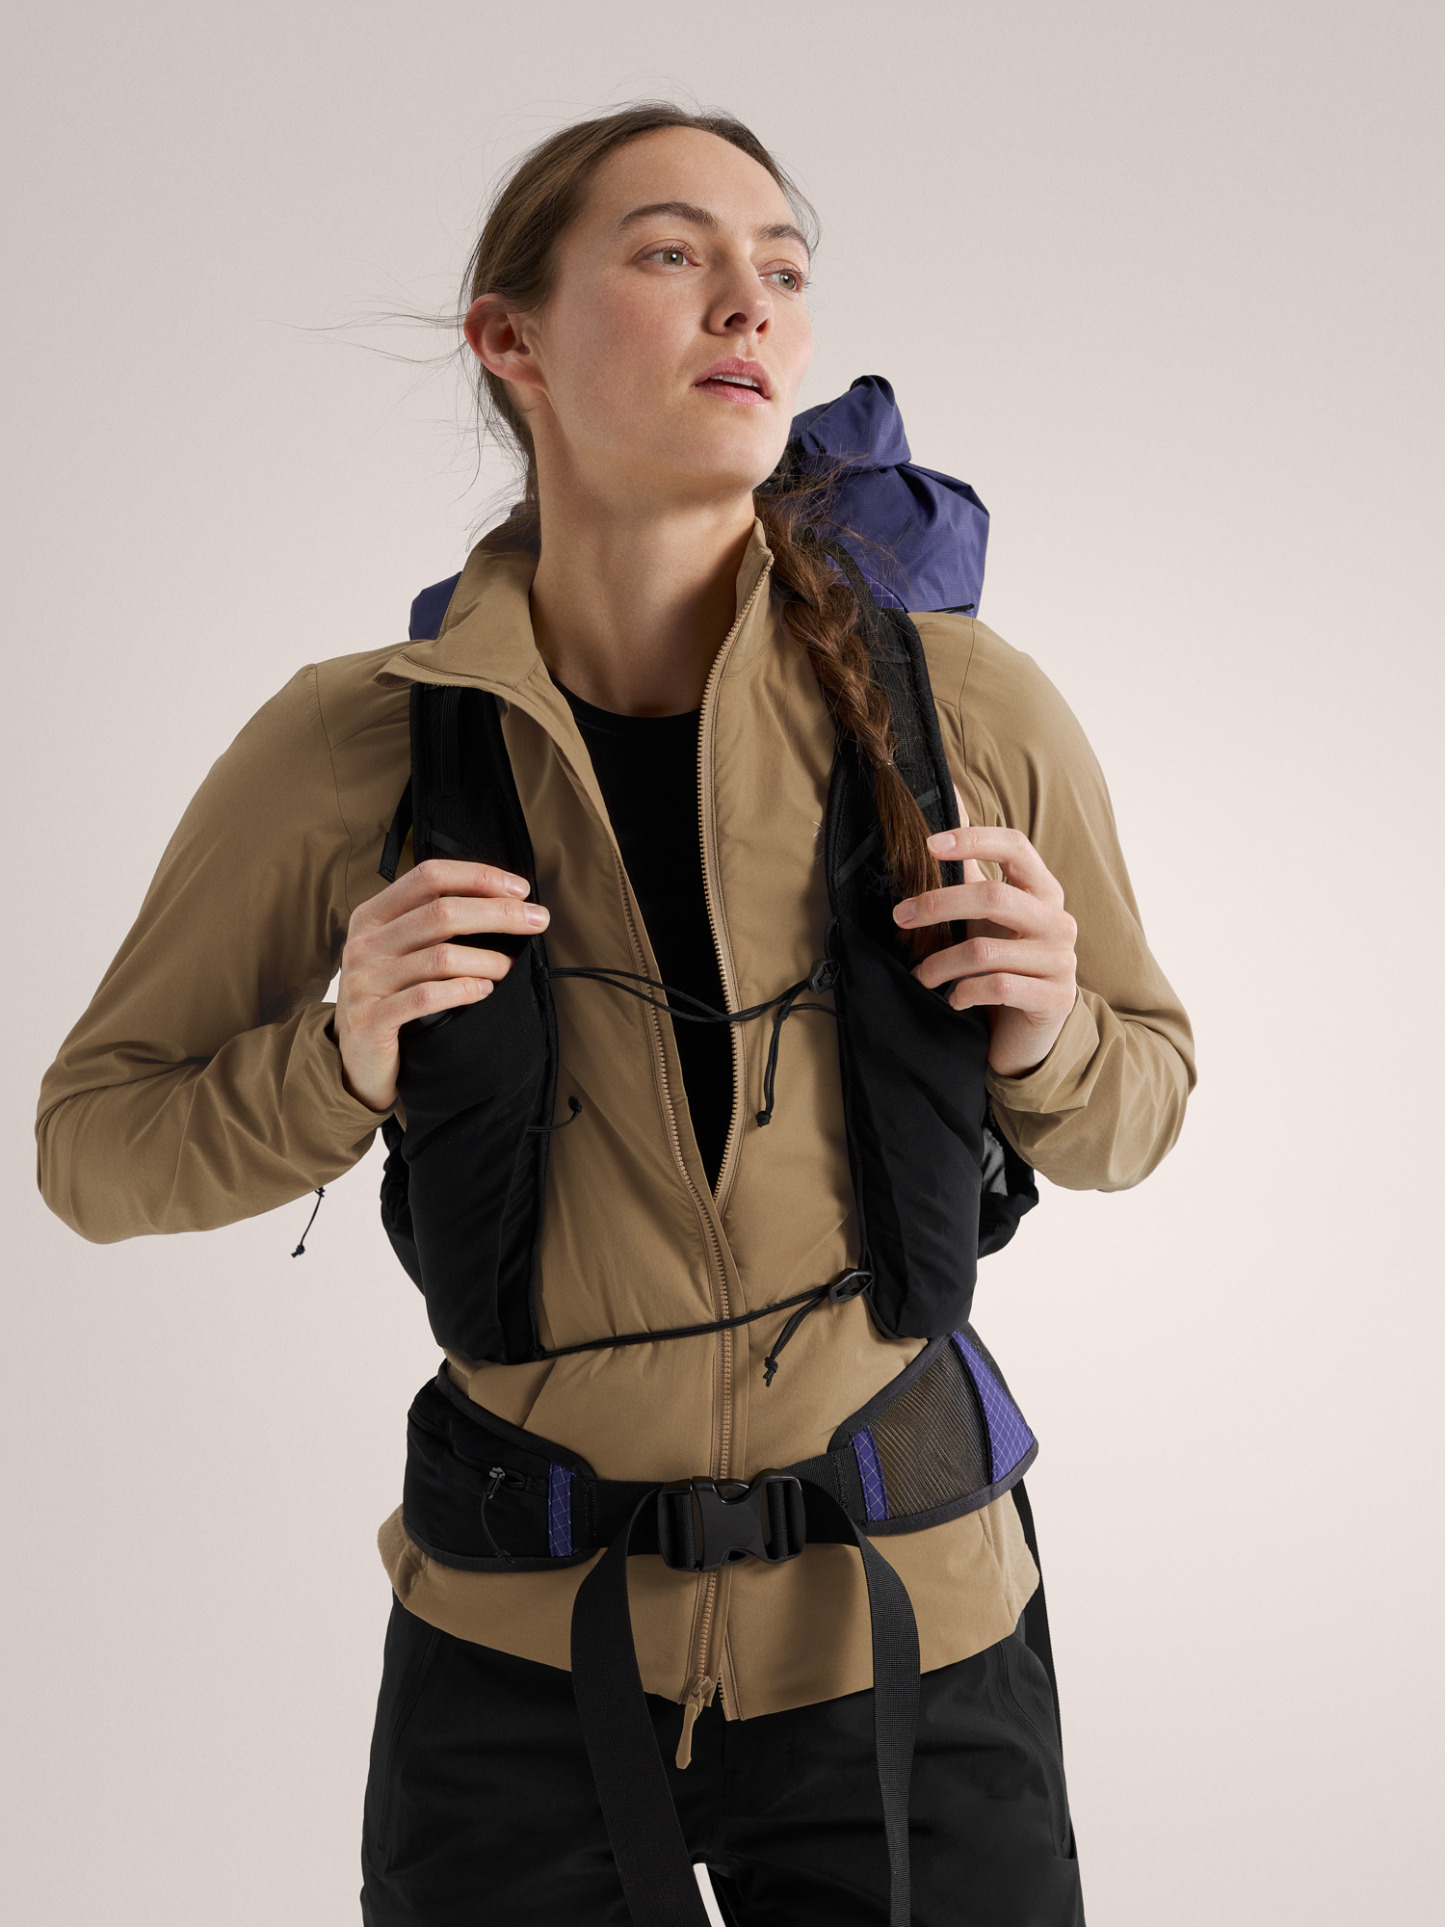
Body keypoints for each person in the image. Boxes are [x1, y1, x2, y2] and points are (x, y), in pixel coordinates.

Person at [36, 103, 1196, 1926]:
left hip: (913, 1645)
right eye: (673, 253)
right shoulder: (357, 739)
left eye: (782, 269)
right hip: (516, 1676)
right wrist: (336, 1058)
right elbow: (95, 1152)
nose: (751, 304)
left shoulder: (964, 707)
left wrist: (1049, 1031)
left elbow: (1143, 1107)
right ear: (509, 336)